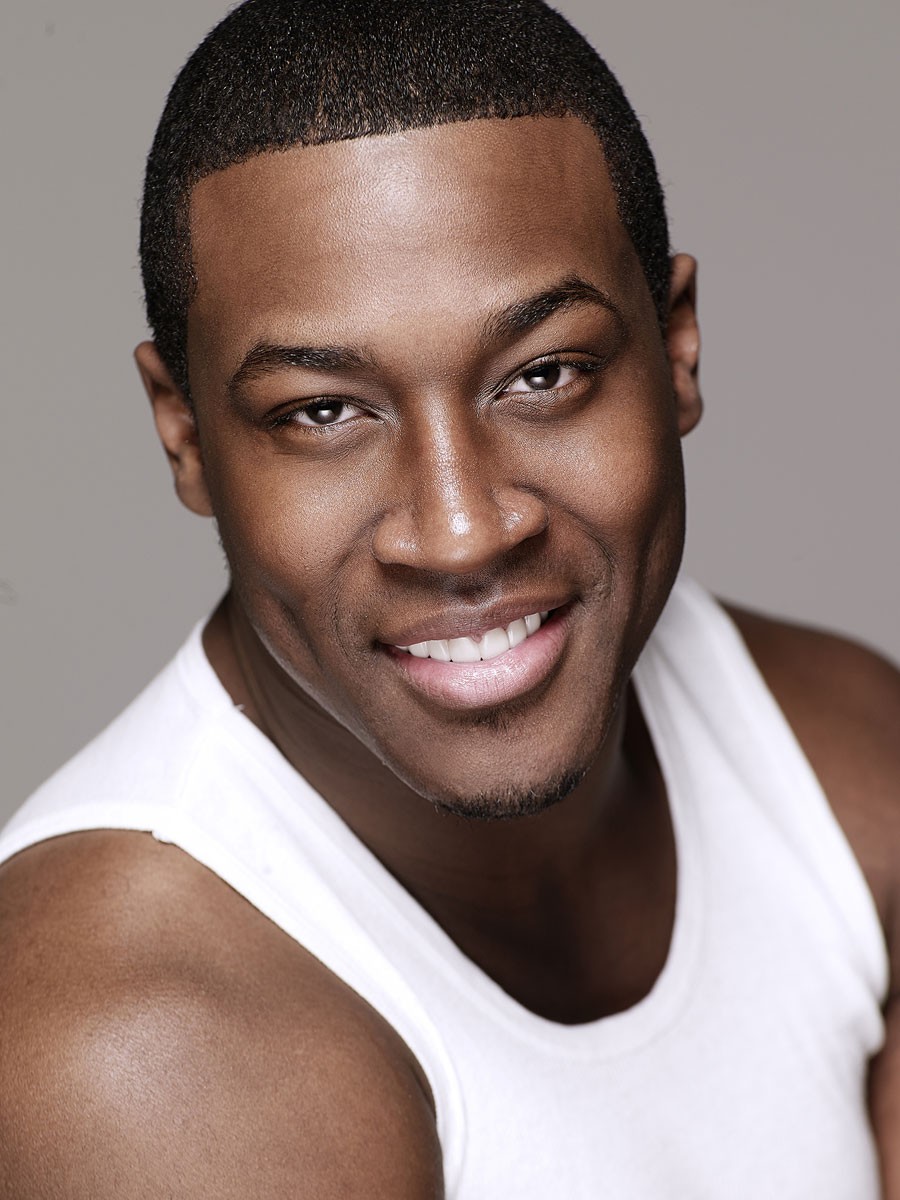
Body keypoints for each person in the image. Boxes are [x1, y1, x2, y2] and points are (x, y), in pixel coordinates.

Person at [1, 0, 898, 1195]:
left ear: (677, 347)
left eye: (544, 374)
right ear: (188, 436)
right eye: (324, 411)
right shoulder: (137, 1047)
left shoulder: (847, 769)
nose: (463, 528)